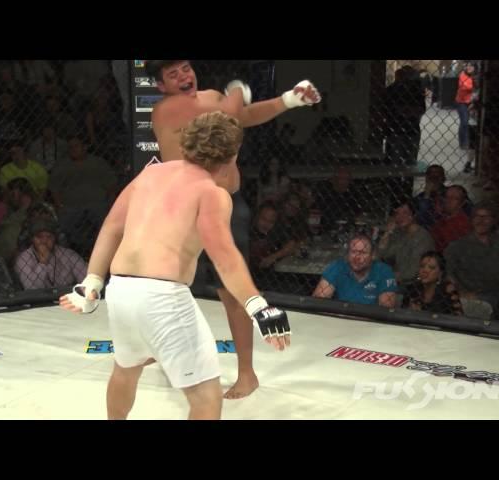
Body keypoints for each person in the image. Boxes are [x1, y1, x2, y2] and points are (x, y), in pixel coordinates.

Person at [59, 112, 290, 420]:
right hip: (162, 298)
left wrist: (92, 281)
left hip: (120, 289)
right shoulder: (212, 193)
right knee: (206, 397)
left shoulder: (150, 174)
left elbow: (112, 226)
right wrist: (258, 306)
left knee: (126, 369)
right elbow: (224, 257)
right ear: (232, 155)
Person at [144, 59, 320, 399]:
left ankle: (246, 373)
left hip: (224, 206)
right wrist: (238, 90)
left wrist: (289, 100)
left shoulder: (213, 98)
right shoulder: (166, 110)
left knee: (232, 290)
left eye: (185, 68)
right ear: (161, 86)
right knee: (167, 285)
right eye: (173, 74)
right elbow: (230, 111)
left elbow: (243, 116)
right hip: (184, 209)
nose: (184, 76)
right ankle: (163, 349)